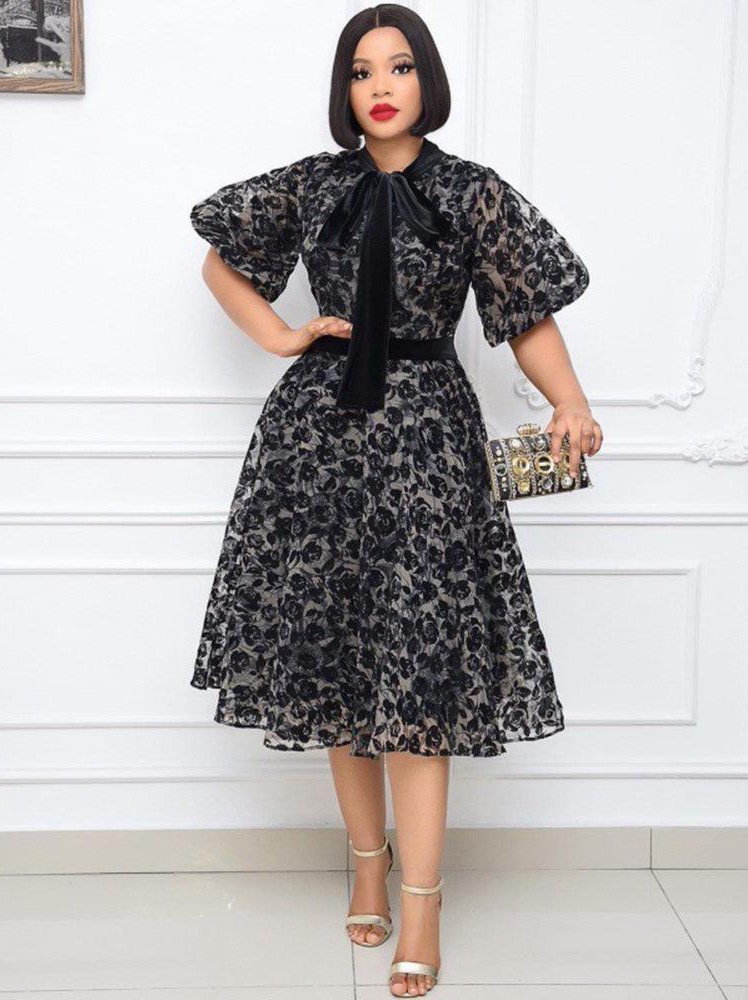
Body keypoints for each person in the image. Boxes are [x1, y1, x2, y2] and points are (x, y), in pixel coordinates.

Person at [187, 5, 601, 995]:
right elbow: (218, 259)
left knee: (415, 675)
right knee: (337, 664)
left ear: (427, 81)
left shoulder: (471, 192)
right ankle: (365, 866)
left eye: (400, 67)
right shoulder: (312, 184)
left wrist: (571, 400)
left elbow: (524, 312)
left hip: (426, 440)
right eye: (362, 70)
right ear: (345, 89)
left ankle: (422, 900)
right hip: (317, 440)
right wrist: (282, 335)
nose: (380, 86)